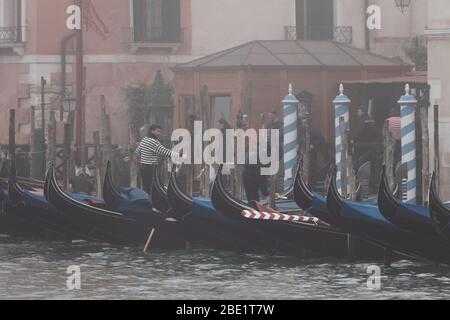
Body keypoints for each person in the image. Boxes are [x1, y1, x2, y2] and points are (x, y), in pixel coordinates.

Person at [134, 124, 180, 195]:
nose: (159, 133)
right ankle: (150, 203)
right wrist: (179, 155)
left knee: (146, 187)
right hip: (150, 168)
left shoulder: (144, 140)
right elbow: (164, 151)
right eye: (158, 131)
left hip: (143, 167)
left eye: (160, 131)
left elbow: (137, 152)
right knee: (151, 188)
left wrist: (142, 161)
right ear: (152, 131)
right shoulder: (153, 141)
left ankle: (147, 202)